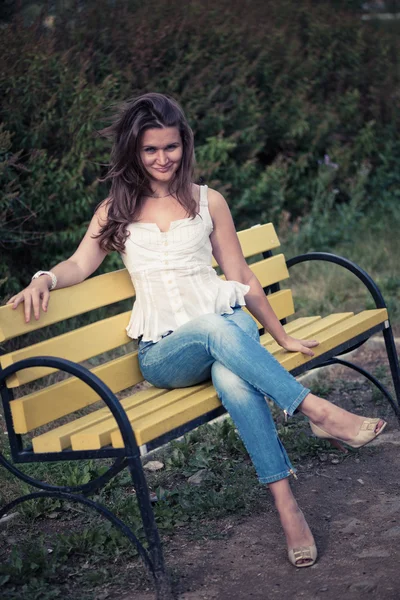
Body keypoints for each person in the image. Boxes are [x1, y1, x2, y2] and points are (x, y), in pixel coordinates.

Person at [7, 92, 386, 568]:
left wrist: (281, 334)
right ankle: (315, 410)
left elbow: (240, 276)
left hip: (231, 334)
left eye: (171, 147)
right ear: (134, 151)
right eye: (150, 150)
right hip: (167, 355)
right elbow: (80, 264)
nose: (162, 158)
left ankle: (289, 509)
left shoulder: (210, 202)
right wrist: (45, 277)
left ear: (184, 144)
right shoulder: (115, 210)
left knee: (231, 373)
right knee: (212, 327)